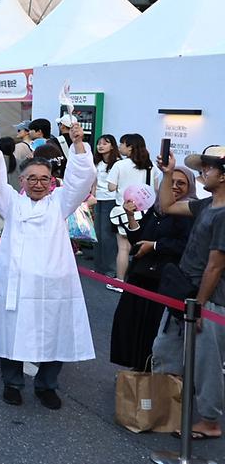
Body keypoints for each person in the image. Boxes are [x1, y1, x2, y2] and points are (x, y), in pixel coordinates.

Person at [0, 121, 96, 410]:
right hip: (17, 283)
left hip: (52, 283)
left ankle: (47, 385)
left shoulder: (59, 203)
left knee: (52, 332)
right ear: (21, 181)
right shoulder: (11, 203)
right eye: (31, 178)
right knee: (12, 332)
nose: (38, 183)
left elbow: (81, 180)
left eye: (44, 178)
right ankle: (12, 383)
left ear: (52, 181)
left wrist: (79, 144)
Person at [154, 145, 225, 440]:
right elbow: (168, 206)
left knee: (207, 360)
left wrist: (200, 303)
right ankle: (169, 406)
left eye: (207, 168)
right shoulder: (207, 205)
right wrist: (168, 173)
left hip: (209, 298)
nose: (201, 172)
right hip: (186, 291)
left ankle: (210, 421)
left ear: (223, 175)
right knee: (166, 348)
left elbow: (215, 266)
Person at [109, 165, 195, 370]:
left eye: (181, 183)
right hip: (141, 278)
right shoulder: (156, 209)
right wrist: (131, 217)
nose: (174, 187)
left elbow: (186, 245)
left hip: (164, 283)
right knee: (132, 325)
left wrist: (154, 246)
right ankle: (137, 372)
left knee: (155, 330)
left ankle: (153, 375)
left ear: (190, 186)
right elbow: (139, 241)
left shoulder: (190, 210)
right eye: (170, 182)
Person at [109, 134, 154, 283]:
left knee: (123, 248)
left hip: (124, 210)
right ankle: (135, 280)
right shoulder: (150, 166)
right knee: (140, 247)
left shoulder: (119, 165)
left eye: (122, 144)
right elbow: (155, 189)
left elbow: (111, 187)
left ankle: (120, 281)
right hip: (145, 212)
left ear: (130, 147)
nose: (120, 146)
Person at [92, 135, 122, 277]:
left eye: (105, 143)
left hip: (111, 200)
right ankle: (99, 268)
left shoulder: (118, 163)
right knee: (96, 235)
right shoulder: (96, 162)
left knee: (107, 236)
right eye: (99, 143)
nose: (101, 145)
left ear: (112, 146)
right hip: (97, 200)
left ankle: (111, 270)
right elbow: (94, 182)